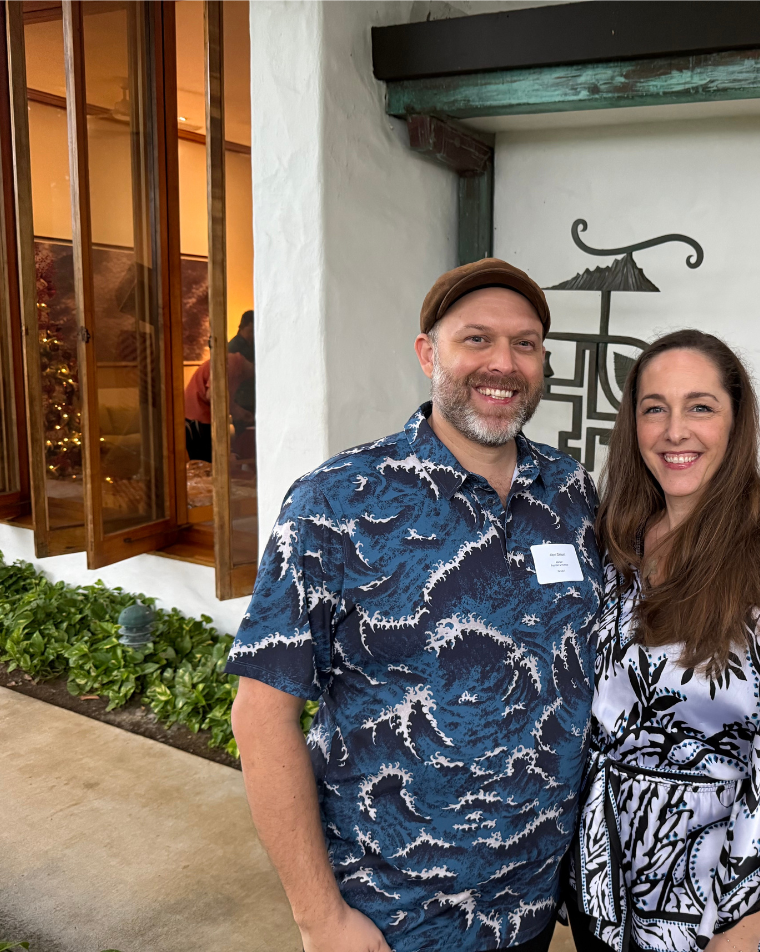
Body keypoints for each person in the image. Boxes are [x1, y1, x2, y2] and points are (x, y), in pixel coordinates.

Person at [227, 260, 601, 952]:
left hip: (530, 910)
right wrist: (320, 919)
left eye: (524, 344)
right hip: (391, 921)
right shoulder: (335, 503)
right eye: (476, 340)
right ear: (429, 353)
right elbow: (261, 716)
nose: (503, 363)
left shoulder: (571, 495)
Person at [566, 330, 760, 952]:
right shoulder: (620, 547)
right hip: (604, 882)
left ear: (735, 422)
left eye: (700, 406)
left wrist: (739, 933)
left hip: (709, 905)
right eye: (654, 408)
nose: (674, 431)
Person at [184, 309, 256, 462]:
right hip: (197, 415)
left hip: (202, 415)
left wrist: (238, 411)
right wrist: (238, 411)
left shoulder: (236, 365)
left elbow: (223, 395)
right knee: (205, 461)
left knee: (210, 460)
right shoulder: (233, 363)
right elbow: (214, 395)